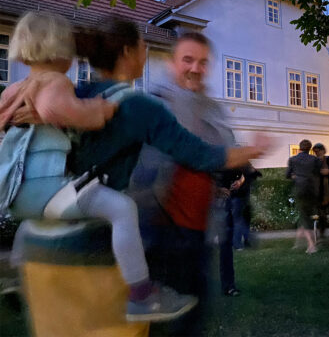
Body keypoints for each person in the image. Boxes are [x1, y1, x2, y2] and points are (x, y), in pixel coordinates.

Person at [26, 18, 265, 322]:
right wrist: (253, 150)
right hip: (113, 247)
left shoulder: (75, 95)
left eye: (203, 62)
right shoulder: (143, 106)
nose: (146, 49)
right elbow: (201, 154)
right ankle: (143, 299)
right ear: (128, 52)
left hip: (48, 239)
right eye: (142, 45)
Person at [0, 12, 200, 323]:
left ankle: (16, 274)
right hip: (46, 183)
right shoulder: (55, 82)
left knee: (33, 221)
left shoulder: (15, 89)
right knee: (121, 209)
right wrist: (100, 109)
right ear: (60, 48)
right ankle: (142, 295)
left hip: (18, 189)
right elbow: (70, 113)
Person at [286, 139, 320, 254]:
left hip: (300, 190)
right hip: (312, 190)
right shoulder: (314, 159)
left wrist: (296, 177)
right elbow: (318, 173)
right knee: (305, 215)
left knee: (305, 216)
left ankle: (311, 245)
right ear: (309, 148)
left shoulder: (293, 159)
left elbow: (287, 175)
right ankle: (298, 243)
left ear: (300, 148)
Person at [232, 165, 262, 250]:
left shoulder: (238, 166)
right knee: (243, 219)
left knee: (238, 219)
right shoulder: (246, 166)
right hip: (244, 195)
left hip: (238, 195)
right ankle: (246, 240)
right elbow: (257, 174)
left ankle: (239, 242)